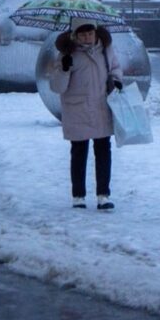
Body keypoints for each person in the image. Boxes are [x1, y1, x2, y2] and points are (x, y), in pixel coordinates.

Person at [50, 18, 123, 210]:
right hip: (77, 108)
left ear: (96, 32)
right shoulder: (67, 54)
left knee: (103, 150)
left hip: (101, 106)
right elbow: (57, 87)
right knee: (79, 152)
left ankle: (103, 195)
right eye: (82, 34)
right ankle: (78, 196)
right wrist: (64, 69)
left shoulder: (105, 49)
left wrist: (116, 80)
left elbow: (115, 68)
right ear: (75, 35)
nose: (87, 38)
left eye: (90, 33)